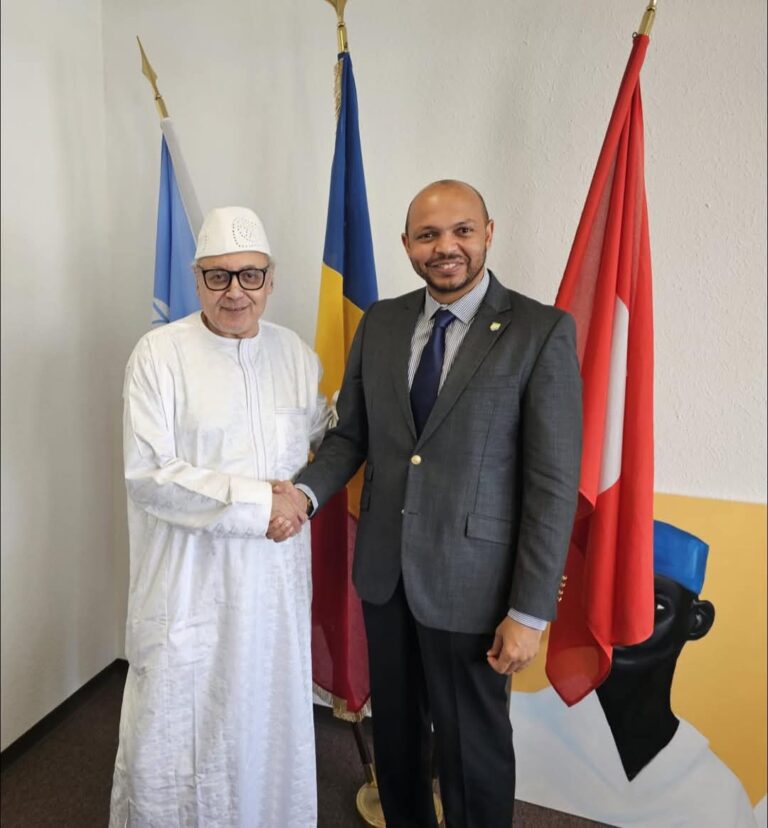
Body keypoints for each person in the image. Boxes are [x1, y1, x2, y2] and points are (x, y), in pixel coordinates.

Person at [275, 180, 582, 827]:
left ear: (488, 233)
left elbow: (551, 483)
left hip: (476, 587)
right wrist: (304, 493)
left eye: (462, 230)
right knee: (397, 741)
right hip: (386, 576)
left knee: (474, 752)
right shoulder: (382, 323)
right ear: (407, 244)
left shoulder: (539, 332)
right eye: (428, 235)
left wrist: (529, 611)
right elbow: (351, 436)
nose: (446, 247)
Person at [109, 206, 329, 827]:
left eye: (250, 275)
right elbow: (150, 475)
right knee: (176, 734)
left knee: (266, 726)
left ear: (270, 279)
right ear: (197, 278)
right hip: (189, 588)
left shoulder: (296, 355)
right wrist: (263, 503)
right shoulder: (158, 355)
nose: (235, 291)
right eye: (219, 276)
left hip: (273, 591)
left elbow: (324, 437)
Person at [510, 520, 758, 828]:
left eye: (655, 606)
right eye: (610, 598)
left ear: (697, 620)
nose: (625, 622)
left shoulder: (718, 791)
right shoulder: (520, 721)